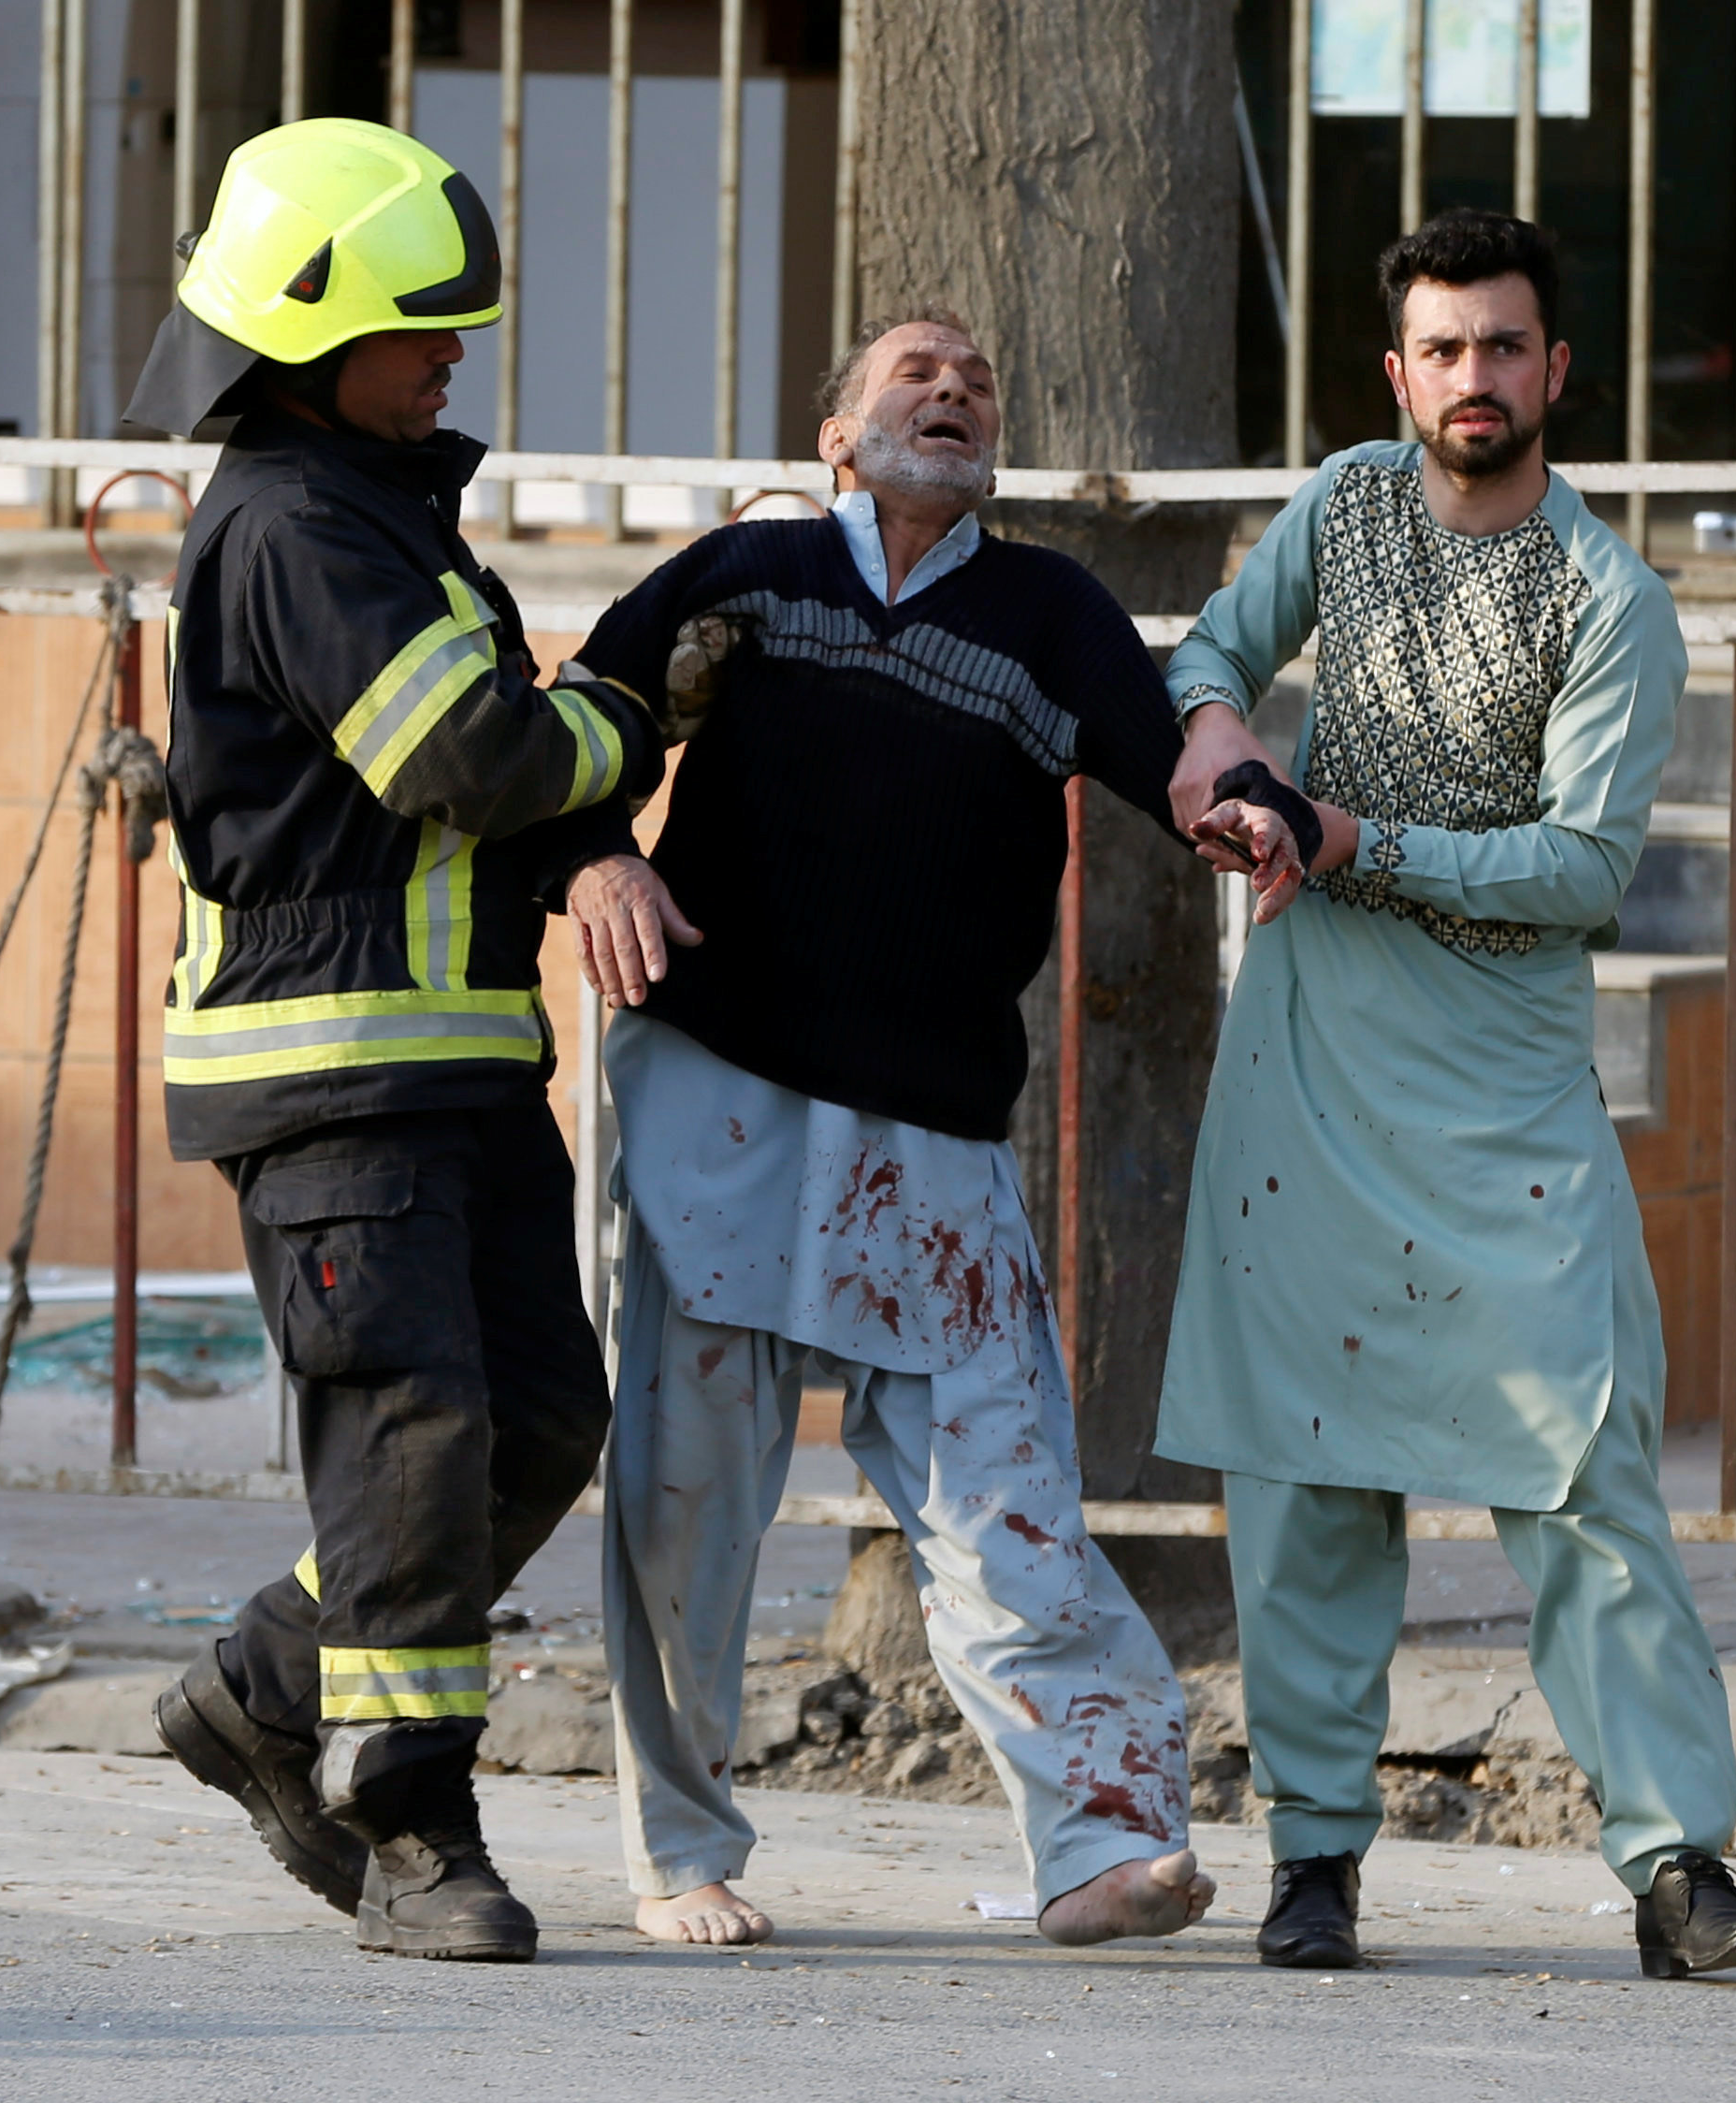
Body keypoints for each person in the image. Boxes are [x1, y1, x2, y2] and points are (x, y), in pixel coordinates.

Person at [561, 304, 1311, 1950]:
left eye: (978, 381)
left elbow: (1169, 753)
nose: (954, 388)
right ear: (836, 435)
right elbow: (566, 733)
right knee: (686, 1495)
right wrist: (596, 858)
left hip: (937, 1137)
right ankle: (678, 1852)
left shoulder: (1049, 609)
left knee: (1007, 1491)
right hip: (721, 1095)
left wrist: (1237, 793)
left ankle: (1105, 1844)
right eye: (915, 372)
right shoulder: (739, 579)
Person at [1154, 210, 1736, 1980]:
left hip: (1503, 1093)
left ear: (1555, 371)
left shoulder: (1611, 597)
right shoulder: (1347, 506)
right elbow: (1210, 653)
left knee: (1586, 1470)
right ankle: (1313, 1861)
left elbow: (1586, 869)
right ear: (1398, 375)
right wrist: (1215, 737)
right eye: (1443, 351)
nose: (1473, 381)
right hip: (1309, 1068)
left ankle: (1676, 1868)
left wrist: (1352, 835)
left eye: (1504, 348)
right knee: (1301, 1475)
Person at [123, 118, 672, 1965]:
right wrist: (621, 714)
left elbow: (485, 785)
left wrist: (571, 767)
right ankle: (413, 1816)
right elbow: (471, 757)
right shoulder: (291, 528)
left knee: (539, 1417)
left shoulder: (374, 517)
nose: (454, 355)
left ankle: (261, 1691)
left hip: (452, 1062)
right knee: (419, 1429)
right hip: (334, 1073)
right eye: (422, 325)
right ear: (307, 329)